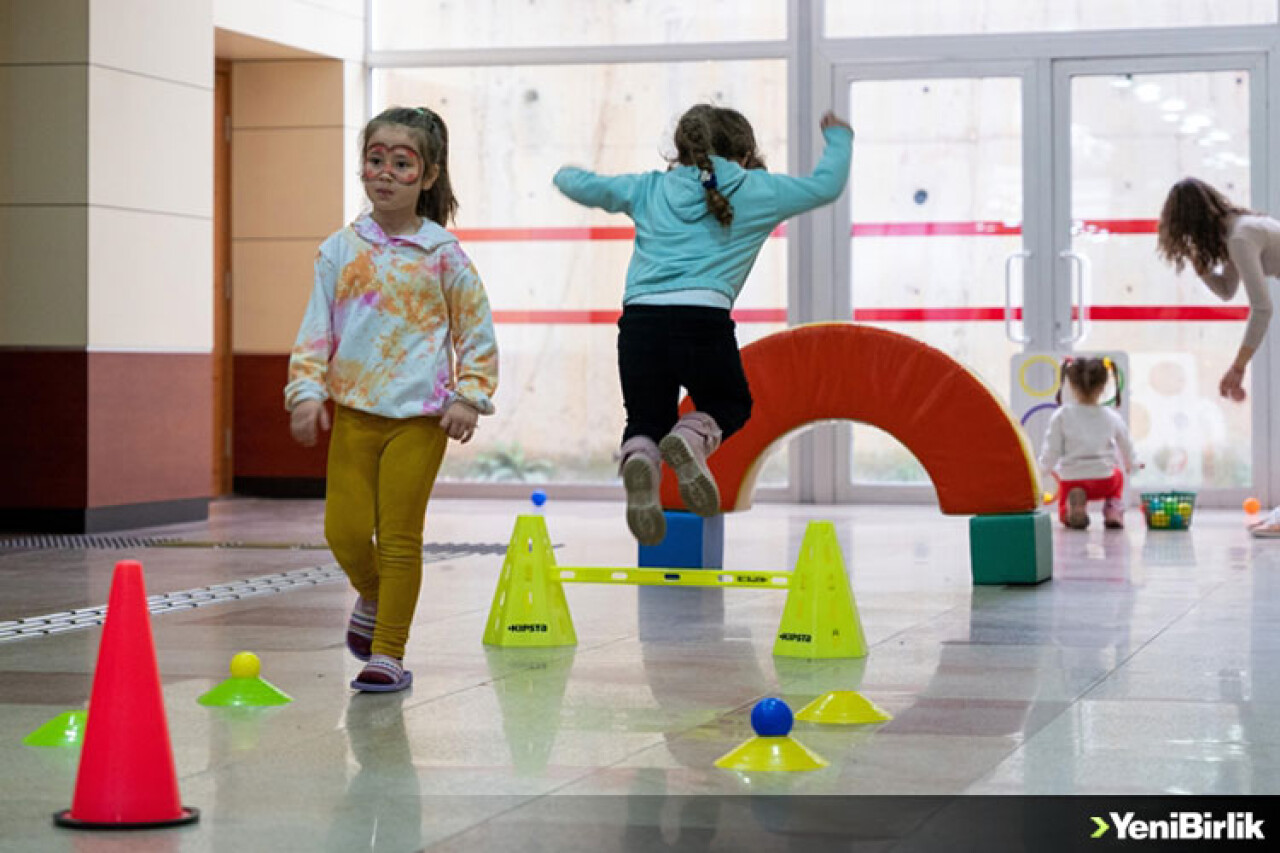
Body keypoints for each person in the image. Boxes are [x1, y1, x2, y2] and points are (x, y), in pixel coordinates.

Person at [553, 104, 853, 545]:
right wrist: (839, 139)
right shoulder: (756, 189)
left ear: (680, 149)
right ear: (746, 152)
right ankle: (691, 442)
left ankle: (641, 460)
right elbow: (825, 186)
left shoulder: (649, 188)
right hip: (703, 320)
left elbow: (579, 185)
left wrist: (565, 173)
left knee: (645, 417)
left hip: (639, 323)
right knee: (730, 402)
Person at [285, 106, 498, 692]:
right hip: (354, 412)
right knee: (345, 533)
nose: (383, 173)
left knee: (399, 535)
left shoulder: (444, 255)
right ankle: (376, 596)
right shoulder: (339, 250)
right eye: (374, 160)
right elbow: (314, 331)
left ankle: (388, 653)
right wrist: (306, 392)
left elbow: (475, 332)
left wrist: (470, 396)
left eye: (400, 164)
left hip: (421, 420)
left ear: (427, 176)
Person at [1156, 177, 1280, 536]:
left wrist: (1237, 368)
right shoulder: (1236, 232)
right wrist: (1202, 268)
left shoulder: (1240, 237)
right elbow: (1228, 290)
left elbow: (1262, 309)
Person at [1039, 357, 1137, 530]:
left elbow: (1051, 450)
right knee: (1118, 476)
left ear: (1071, 385)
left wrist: (1042, 470)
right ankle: (1113, 510)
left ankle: (1072, 511)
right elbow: (1126, 443)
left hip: (1072, 480)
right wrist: (1132, 464)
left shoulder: (1062, 415)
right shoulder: (1111, 416)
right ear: (1103, 387)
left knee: (1065, 503)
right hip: (1104, 480)